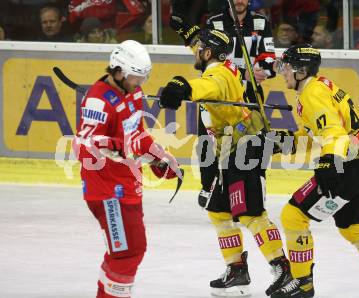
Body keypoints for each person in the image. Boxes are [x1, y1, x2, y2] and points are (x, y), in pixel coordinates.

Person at [159, 27, 293, 297]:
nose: (195, 52)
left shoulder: (217, 74)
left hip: (245, 148)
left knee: (250, 213)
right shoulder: (226, 65)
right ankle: (237, 270)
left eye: (199, 49)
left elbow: (205, 87)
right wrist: (189, 34)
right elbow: (203, 69)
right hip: (229, 150)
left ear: (208, 53)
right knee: (218, 210)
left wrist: (182, 86)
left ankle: (283, 268)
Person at [270, 44, 359, 298]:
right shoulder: (319, 87)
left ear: (301, 71)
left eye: (287, 67)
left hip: (349, 166)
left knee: (293, 216)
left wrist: (328, 164)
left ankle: (302, 283)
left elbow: (333, 132)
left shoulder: (312, 93)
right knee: (351, 225)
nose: (283, 72)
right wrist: (278, 142)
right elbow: (317, 134)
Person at [74, 40, 181, 298]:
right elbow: (83, 147)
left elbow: (138, 134)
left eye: (144, 76)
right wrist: (112, 145)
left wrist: (159, 156)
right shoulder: (98, 103)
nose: (140, 82)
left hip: (128, 186)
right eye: (136, 76)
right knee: (129, 251)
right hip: (109, 192)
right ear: (118, 71)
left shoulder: (133, 92)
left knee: (123, 252)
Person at [198, 0, 277, 214]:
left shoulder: (261, 22)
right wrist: (243, 73)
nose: (240, 1)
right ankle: (209, 186)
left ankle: (257, 184)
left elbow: (269, 55)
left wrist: (264, 69)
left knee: (258, 139)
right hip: (220, 91)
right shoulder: (215, 22)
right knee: (208, 139)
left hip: (250, 93)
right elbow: (212, 59)